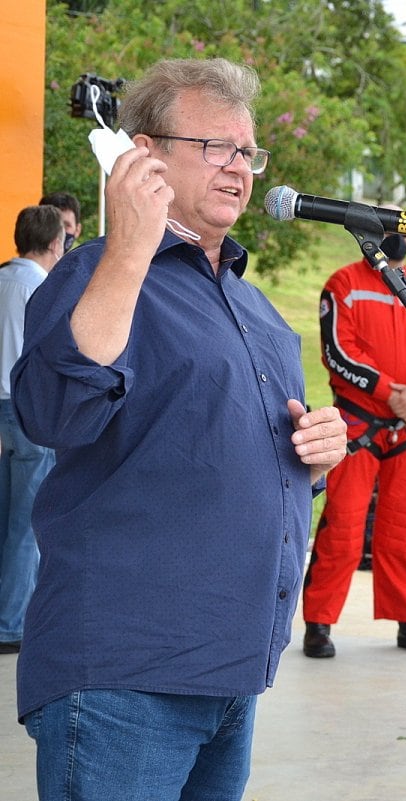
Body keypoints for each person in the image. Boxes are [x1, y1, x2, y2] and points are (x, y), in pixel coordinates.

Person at [11, 58, 347, 799]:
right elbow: (52, 413)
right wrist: (132, 246)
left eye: (248, 152)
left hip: (231, 672)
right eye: (216, 147)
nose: (240, 168)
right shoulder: (97, 273)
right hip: (125, 675)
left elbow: (219, 452)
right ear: (145, 154)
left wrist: (317, 454)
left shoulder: (257, 312)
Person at [302, 231, 406, 658]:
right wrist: (392, 393)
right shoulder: (344, 285)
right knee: (343, 529)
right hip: (358, 429)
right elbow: (337, 354)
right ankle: (319, 623)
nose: (397, 237)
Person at [0, 206, 66, 654]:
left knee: (7, 516)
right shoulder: (40, 288)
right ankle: (11, 624)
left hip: (1, 407)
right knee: (28, 522)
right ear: (54, 243)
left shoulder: (3, 278)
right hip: (26, 409)